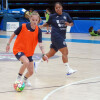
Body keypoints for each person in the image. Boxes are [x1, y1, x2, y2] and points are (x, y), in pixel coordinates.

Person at [6, 12, 48, 86]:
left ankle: (25, 79)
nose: (35, 21)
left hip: (29, 52)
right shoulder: (23, 26)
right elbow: (13, 34)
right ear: (30, 19)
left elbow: (40, 43)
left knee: (31, 72)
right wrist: (8, 44)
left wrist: (44, 53)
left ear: (38, 20)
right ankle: (18, 78)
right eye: (33, 20)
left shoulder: (39, 31)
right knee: (26, 62)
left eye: (36, 20)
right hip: (18, 49)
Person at [34, 2, 77, 75]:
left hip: (62, 36)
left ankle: (37, 63)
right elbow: (48, 23)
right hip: (56, 36)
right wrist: (41, 26)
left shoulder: (66, 15)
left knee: (51, 53)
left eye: (59, 7)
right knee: (65, 52)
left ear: (62, 7)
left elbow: (72, 23)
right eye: (56, 8)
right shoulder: (52, 16)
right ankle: (68, 70)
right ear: (55, 9)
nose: (58, 9)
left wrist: (69, 24)